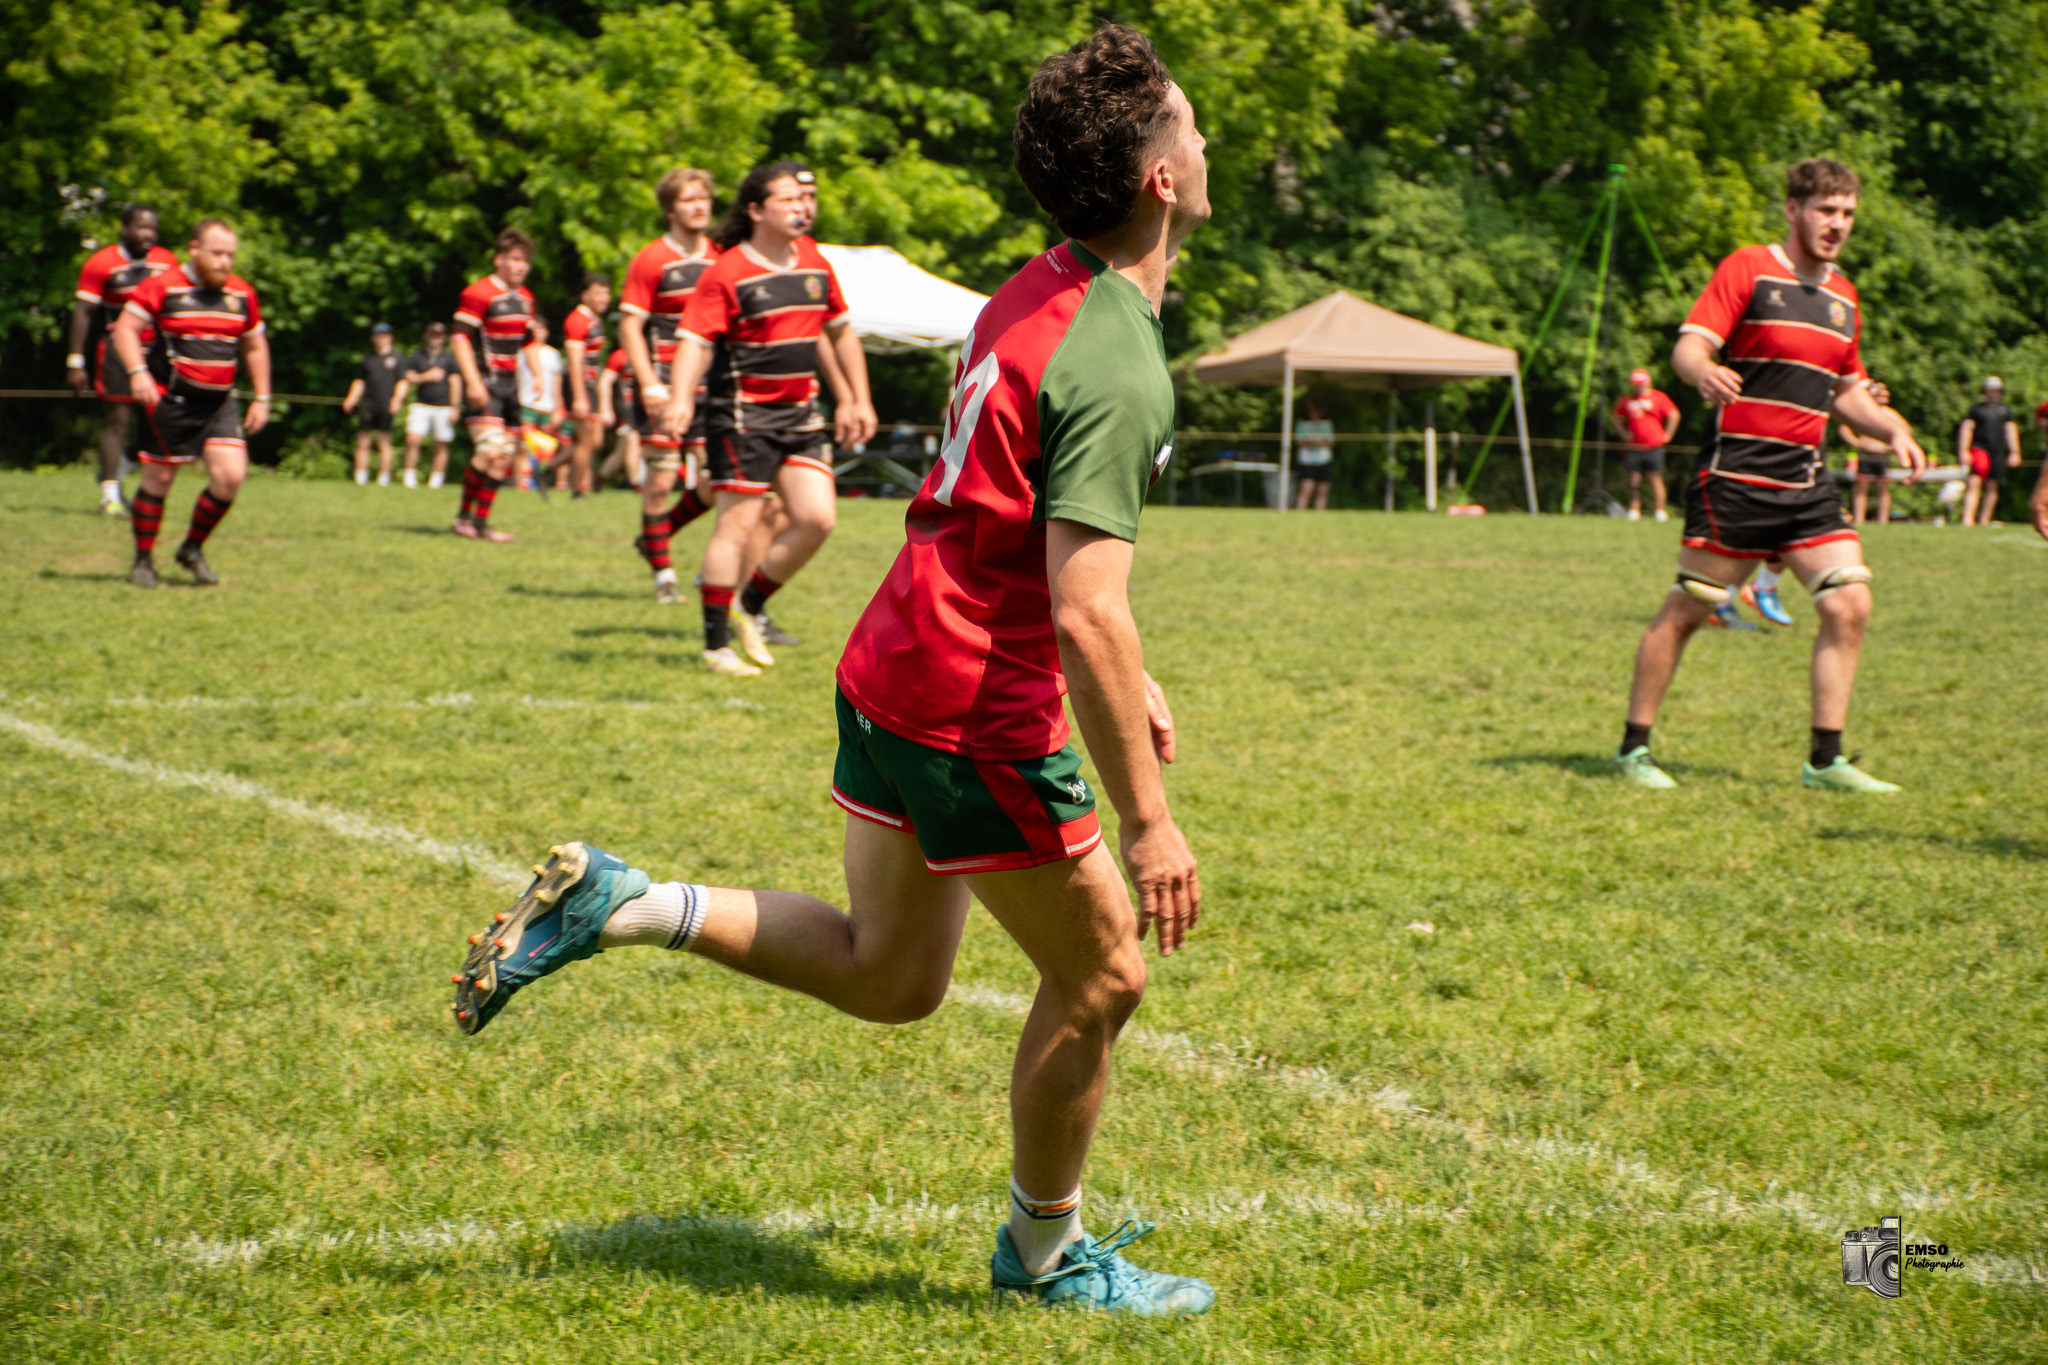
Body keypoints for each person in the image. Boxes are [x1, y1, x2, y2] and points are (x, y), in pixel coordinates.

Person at [448, 24, 1215, 1317]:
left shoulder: (1042, 289)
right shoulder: (1121, 354)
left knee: (892, 974)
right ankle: (1043, 1256)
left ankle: (626, 904)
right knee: (1106, 972)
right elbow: (1088, 609)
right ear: (1156, 178)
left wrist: (1116, 676)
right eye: (1190, 127)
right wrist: (1148, 819)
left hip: (895, 656)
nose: (1205, 145)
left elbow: (1015, 521)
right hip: (973, 700)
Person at [1616, 158, 1926, 793]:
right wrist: (1700, 369)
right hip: (1736, 476)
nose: (1837, 225)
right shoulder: (1749, 268)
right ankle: (1633, 750)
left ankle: (1824, 761)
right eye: (1825, 211)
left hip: (1805, 481)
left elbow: (1847, 393)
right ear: (1793, 209)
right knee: (1688, 611)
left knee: (1849, 603)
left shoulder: (1843, 297)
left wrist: (1894, 429)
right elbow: (1689, 346)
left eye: (1846, 214)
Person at [664, 161, 878, 674]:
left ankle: (750, 605)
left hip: (800, 416)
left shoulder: (814, 260)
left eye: (805, 198)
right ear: (756, 210)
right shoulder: (729, 271)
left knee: (816, 519)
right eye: (788, 199)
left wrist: (857, 399)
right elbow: (692, 342)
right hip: (742, 417)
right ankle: (716, 646)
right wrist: (678, 398)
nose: (802, 207)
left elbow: (840, 333)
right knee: (735, 528)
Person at [111, 217, 270, 589]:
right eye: (217, 253)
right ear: (194, 249)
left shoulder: (242, 294)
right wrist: (138, 373)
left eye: (230, 255)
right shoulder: (162, 286)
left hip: (219, 402)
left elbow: (255, 345)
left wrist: (262, 397)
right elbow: (125, 329)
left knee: (230, 478)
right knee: (161, 477)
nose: (225, 262)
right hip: (171, 400)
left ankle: (191, 549)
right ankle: (143, 561)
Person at [620, 168, 721, 603]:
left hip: (712, 388)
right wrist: (647, 382)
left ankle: (653, 536)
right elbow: (629, 326)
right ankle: (664, 575)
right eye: (687, 199)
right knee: (661, 482)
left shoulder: (722, 256)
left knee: (718, 482)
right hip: (663, 383)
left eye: (704, 198)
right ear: (669, 209)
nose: (699, 206)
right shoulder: (651, 258)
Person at [66, 204, 178, 515]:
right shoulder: (101, 263)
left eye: (153, 229)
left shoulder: (166, 261)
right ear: (125, 228)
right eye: (141, 227)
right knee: (118, 420)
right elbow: (84, 312)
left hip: (157, 350)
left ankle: (115, 472)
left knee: (158, 423)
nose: (148, 234)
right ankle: (110, 498)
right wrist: (75, 360)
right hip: (116, 348)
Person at [450, 228, 538, 542]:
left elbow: (528, 342)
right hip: (484, 382)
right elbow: (459, 339)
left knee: (502, 459)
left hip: (510, 387)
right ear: (498, 260)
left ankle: (481, 524)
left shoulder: (526, 299)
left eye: (525, 261)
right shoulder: (478, 292)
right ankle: (463, 518)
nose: (520, 266)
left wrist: (538, 377)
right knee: (490, 451)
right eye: (514, 259)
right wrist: (473, 381)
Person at [561, 272, 612, 499]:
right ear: (585, 295)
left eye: (606, 293)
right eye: (598, 293)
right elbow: (575, 361)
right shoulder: (577, 320)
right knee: (585, 440)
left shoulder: (595, 320)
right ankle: (577, 490)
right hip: (579, 384)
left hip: (591, 383)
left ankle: (548, 468)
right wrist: (580, 396)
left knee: (595, 441)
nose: (603, 298)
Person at [396, 322, 460, 489]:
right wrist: (426, 377)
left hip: (444, 405)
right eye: (432, 335)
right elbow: (409, 377)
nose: (435, 339)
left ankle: (436, 480)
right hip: (421, 404)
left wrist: (455, 406)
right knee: (413, 439)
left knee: (441, 443)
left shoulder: (449, 358)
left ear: (443, 338)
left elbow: (455, 382)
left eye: (438, 336)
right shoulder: (418, 356)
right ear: (426, 336)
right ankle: (409, 476)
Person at [1611, 367, 1679, 521]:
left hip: (1654, 445)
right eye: (1636, 384)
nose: (1638, 386)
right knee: (1634, 479)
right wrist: (1623, 434)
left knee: (1656, 479)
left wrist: (1667, 435)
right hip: (1634, 446)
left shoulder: (1659, 397)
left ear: (1648, 382)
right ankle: (1635, 510)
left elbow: (1674, 415)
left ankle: (1660, 511)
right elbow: (1616, 417)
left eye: (1641, 383)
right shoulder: (1627, 400)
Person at [1837, 380, 1904, 528]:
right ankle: (1859, 518)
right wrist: (1855, 442)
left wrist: (1892, 446)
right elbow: (1843, 428)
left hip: (1882, 456)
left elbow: (1906, 431)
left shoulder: (1890, 414)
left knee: (1883, 488)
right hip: (1866, 455)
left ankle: (1883, 519)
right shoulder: (1866, 412)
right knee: (1861, 488)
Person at [342, 323, 403, 486]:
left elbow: (402, 382)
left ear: (390, 337)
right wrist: (351, 398)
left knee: (384, 441)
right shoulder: (368, 358)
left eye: (384, 335)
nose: (381, 338)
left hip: (386, 404)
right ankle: (360, 476)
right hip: (368, 404)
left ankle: (384, 478)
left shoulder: (397, 358)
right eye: (378, 335)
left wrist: (397, 399)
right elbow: (360, 381)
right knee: (363, 440)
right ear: (373, 338)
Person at [1958, 377, 2020, 526]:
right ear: (1985, 391)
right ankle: (1967, 518)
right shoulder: (1976, 410)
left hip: (1997, 452)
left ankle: (1984, 520)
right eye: (1990, 390)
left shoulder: (2005, 410)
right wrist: (1963, 451)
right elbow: (1966, 429)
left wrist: (2015, 451)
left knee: (1993, 485)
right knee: (1974, 481)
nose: (1993, 393)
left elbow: (2010, 430)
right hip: (1980, 449)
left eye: (1996, 391)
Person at [516, 316, 565, 488]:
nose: (538, 332)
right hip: (525, 401)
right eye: (535, 328)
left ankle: (540, 479)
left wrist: (558, 409)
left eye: (541, 328)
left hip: (547, 404)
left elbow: (557, 383)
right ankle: (522, 482)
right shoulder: (521, 352)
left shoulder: (553, 354)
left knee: (545, 448)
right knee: (523, 445)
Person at [596, 346, 642, 490]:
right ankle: (637, 485)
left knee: (621, 451)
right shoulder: (621, 355)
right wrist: (605, 408)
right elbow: (604, 381)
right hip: (627, 409)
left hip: (643, 409)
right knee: (633, 445)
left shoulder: (648, 352)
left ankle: (599, 478)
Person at [1291, 395, 1334, 510]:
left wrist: (1321, 442)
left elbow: (1331, 442)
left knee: (1322, 490)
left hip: (1324, 460)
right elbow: (1298, 442)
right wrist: (1309, 441)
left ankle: (1319, 515)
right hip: (1307, 460)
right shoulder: (1302, 423)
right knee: (1306, 488)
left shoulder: (1327, 424)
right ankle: (1300, 513)